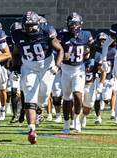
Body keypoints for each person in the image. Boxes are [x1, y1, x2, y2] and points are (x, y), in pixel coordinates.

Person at [11, 11, 64, 144]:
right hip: (28, 67)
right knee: (30, 97)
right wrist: (15, 69)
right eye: (27, 25)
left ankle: (39, 110)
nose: (29, 28)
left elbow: (60, 50)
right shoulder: (18, 34)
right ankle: (32, 130)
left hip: (46, 67)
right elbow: (16, 53)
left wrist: (57, 65)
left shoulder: (46, 31)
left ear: (38, 24)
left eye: (32, 25)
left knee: (44, 96)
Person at [57, 12, 94, 133]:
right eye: (71, 24)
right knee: (67, 98)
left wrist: (89, 61)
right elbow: (55, 50)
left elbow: (92, 48)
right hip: (66, 69)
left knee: (78, 95)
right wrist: (62, 55)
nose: (73, 26)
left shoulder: (86, 35)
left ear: (80, 24)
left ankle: (76, 119)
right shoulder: (62, 36)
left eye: (75, 24)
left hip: (79, 68)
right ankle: (66, 123)